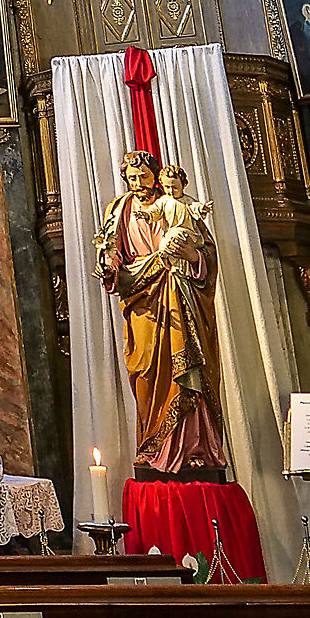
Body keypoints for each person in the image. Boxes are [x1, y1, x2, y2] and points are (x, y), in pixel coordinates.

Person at [95, 149, 229, 473]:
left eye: (143, 176)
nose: (138, 183)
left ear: (155, 175)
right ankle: (152, 443)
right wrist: (109, 267)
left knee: (187, 369)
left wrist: (193, 257)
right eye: (132, 178)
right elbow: (111, 252)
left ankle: (195, 447)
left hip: (179, 294)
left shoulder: (177, 204)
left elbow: (206, 255)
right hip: (142, 302)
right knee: (146, 372)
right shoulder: (119, 209)